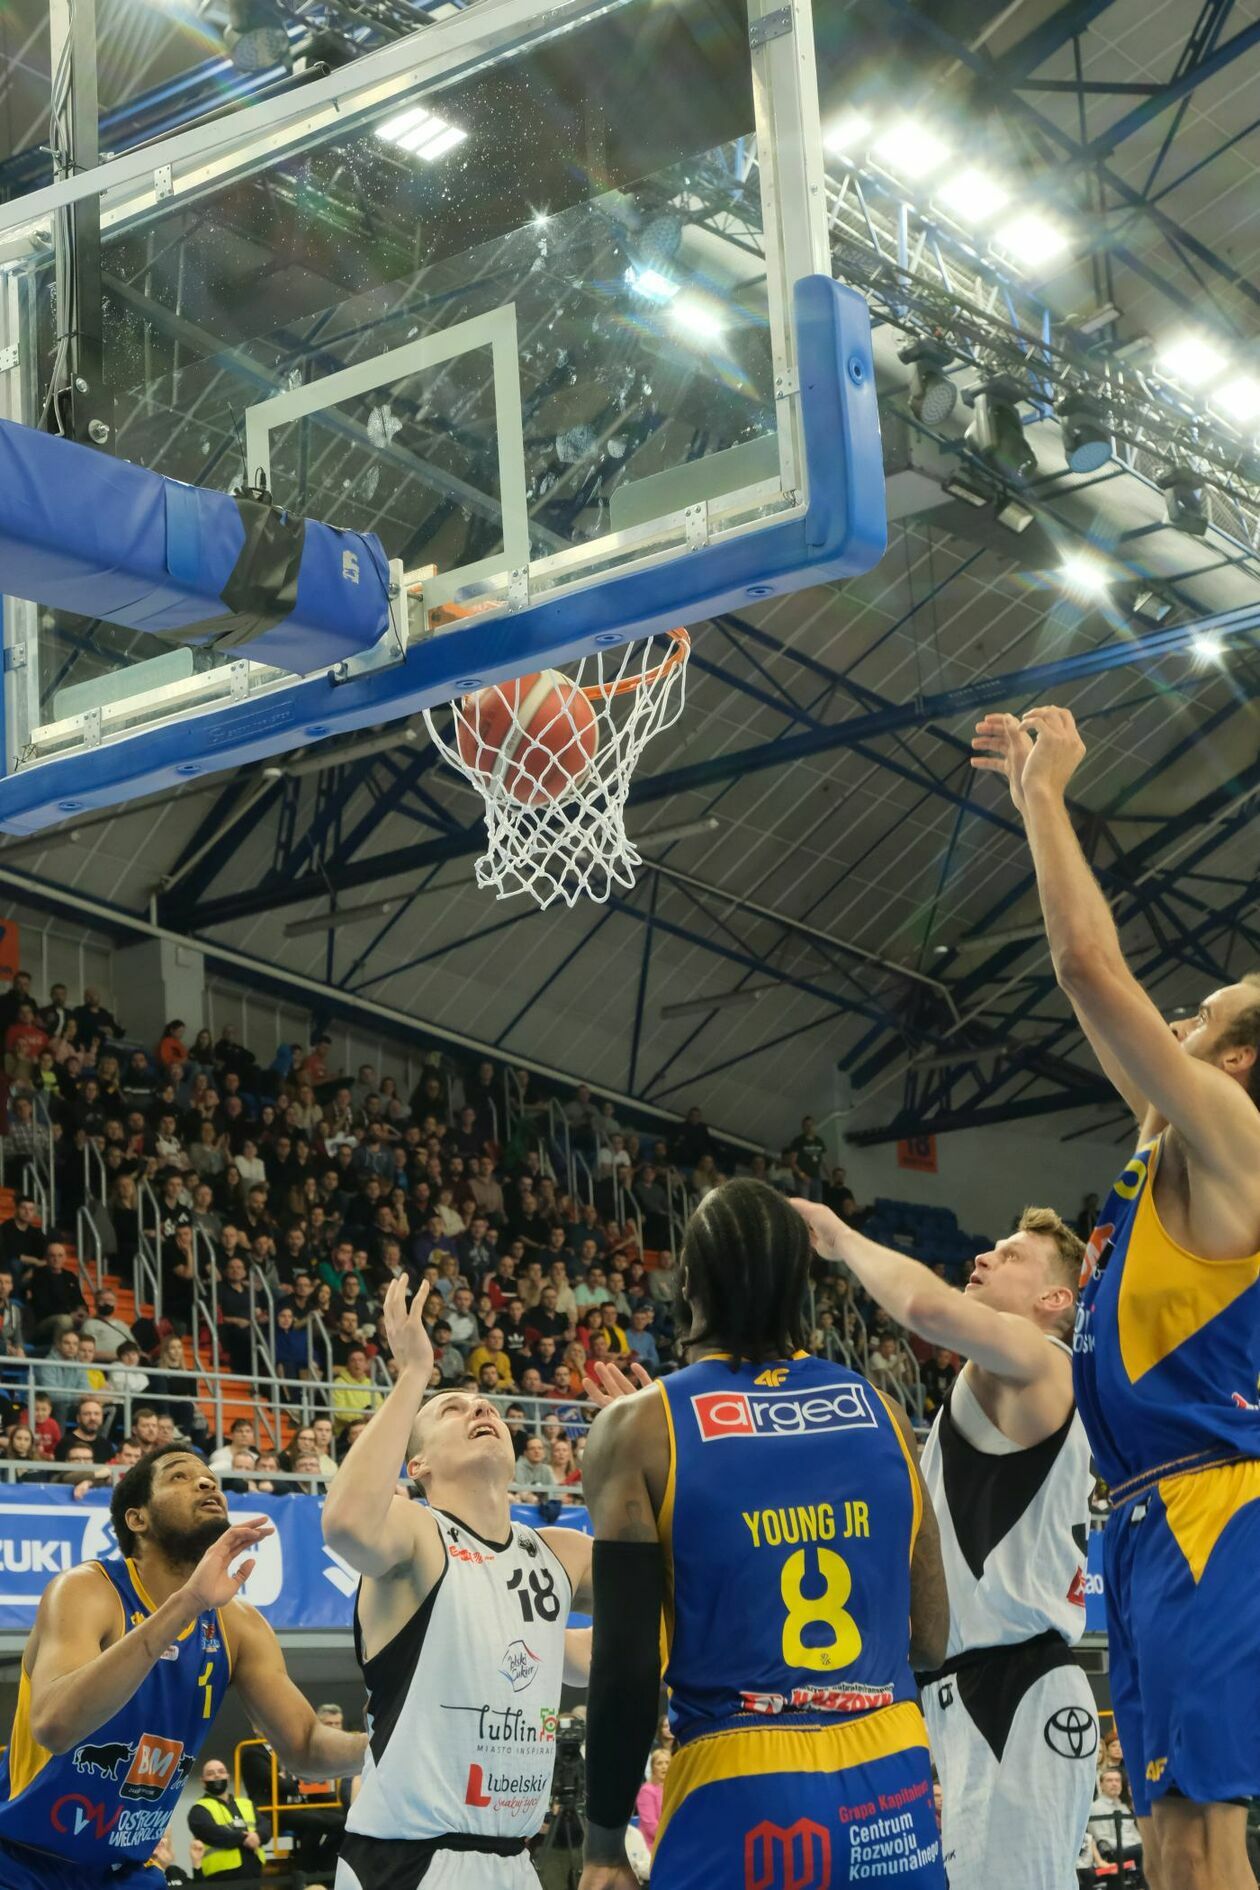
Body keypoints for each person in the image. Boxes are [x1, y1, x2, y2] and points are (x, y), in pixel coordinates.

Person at [973, 704, 1260, 1890]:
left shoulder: (1238, 1132)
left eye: (1199, 1018)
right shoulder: (1161, 1155)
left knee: (1208, 1836)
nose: (1175, 1023)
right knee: (1174, 1840)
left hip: (1214, 1508)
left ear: (1236, 1059)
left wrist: (1046, 799)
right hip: (1146, 1516)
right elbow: (1096, 998)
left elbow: (1091, 969)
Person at [577, 1178, 947, 1890]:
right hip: (891, 1784)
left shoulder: (639, 1431)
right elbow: (929, 1640)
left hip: (742, 1783)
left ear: (688, 1284)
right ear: (802, 1285)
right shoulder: (884, 1412)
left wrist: (600, 1846)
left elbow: (625, 1665)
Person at [793, 1200, 1098, 1890]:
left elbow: (925, 1312)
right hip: (974, 1691)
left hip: (1014, 1692)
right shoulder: (999, 1382)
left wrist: (841, 1238)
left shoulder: (1041, 1360)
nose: (985, 1257)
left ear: (1056, 1298)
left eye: (1012, 1255)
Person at [321, 1274, 595, 1888]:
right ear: (416, 1465)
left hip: (514, 1861)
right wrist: (415, 1375)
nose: (481, 1407)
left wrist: (650, 1449)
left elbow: (662, 1598)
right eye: (453, 1408)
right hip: (411, 1859)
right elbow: (343, 1525)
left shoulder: (558, 1552)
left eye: (488, 1406)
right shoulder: (415, 1533)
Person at [0, 1443, 365, 1889]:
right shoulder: (86, 1589)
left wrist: (392, 1744)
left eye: (210, 1477)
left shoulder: (241, 1625)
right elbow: (54, 1725)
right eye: (179, 1476)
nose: (207, 1482)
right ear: (138, 1519)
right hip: (18, 1859)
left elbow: (305, 1747)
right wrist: (187, 1603)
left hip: (124, 1871)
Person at [188, 1755, 262, 1878]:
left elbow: (265, 1826)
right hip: (220, 1879)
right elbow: (213, 1833)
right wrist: (244, 1838)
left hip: (254, 1874)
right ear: (203, 1781)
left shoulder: (246, 1804)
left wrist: (259, 1836)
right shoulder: (198, 1810)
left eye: (221, 1772)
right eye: (211, 1773)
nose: (217, 1776)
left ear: (228, 1777)